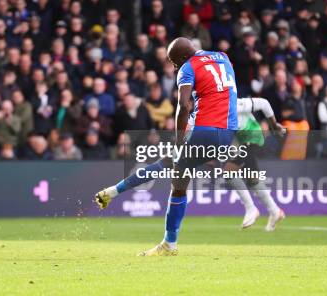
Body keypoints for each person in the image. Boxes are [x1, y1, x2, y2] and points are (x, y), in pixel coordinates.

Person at [95, 37, 238, 256]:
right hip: (228, 131)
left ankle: (166, 242)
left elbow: (183, 104)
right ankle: (165, 240)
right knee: (178, 177)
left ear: (182, 57)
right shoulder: (223, 56)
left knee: (169, 166)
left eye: (173, 61)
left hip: (206, 129)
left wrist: (180, 140)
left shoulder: (188, 67)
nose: (173, 66)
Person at [225, 98, 286, 231]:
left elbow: (264, 103)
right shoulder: (210, 113)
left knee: (229, 171)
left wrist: (274, 125)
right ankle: (275, 211)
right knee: (253, 179)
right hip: (239, 141)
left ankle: (251, 208)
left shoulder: (235, 105)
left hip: (252, 136)